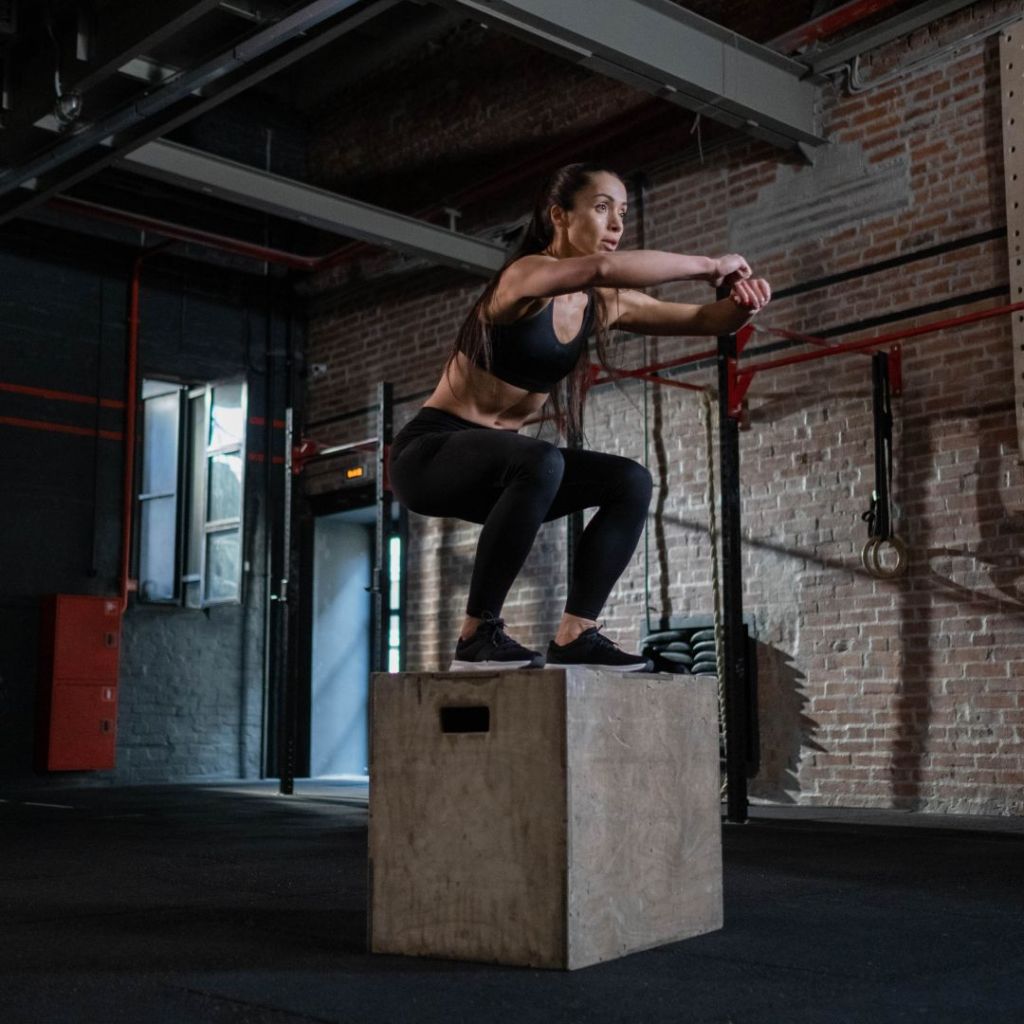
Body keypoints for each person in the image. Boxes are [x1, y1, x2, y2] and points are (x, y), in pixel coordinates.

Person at [389, 162, 771, 672]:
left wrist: (743, 304)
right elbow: (602, 268)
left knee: (629, 481)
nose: (616, 224)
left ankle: (576, 635)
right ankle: (476, 635)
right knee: (540, 460)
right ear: (559, 216)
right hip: (429, 457)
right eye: (601, 207)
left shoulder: (600, 304)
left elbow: (705, 319)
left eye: (623, 213)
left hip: (504, 475)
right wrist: (708, 265)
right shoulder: (523, 276)